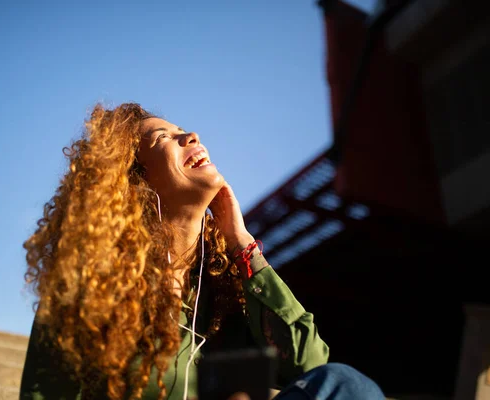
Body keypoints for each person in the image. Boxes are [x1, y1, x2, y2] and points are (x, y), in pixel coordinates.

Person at [20, 103, 385, 400]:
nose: (191, 136)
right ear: (135, 182)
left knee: (346, 384)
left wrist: (243, 245)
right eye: (165, 137)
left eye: (184, 131)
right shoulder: (90, 287)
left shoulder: (224, 287)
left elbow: (309, 366)